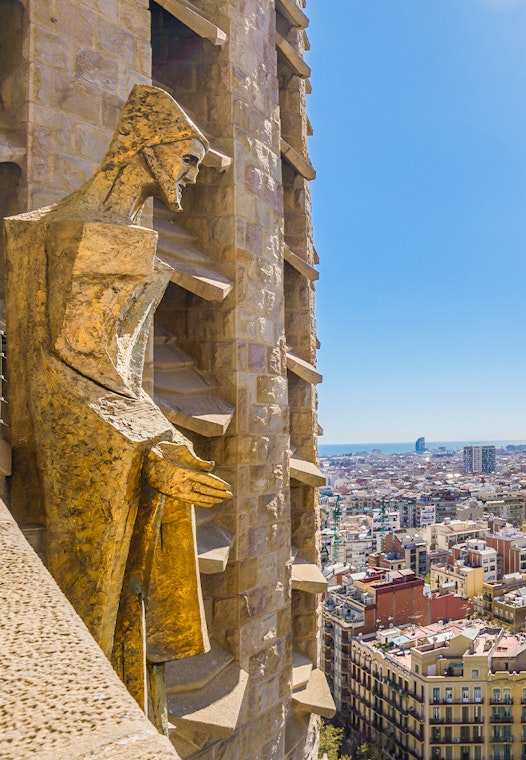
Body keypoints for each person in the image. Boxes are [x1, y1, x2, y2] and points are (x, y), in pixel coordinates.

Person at [3, 85, 231, 722]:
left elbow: (99, 366)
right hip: (87, 443)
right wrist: (154, 445)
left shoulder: (110, 226)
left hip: (105, 425)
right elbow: (73, 368)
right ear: (149, 148)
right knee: (98, 601)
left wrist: (155, 436)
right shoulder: (103, 232)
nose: (190, 173)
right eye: (185, 157)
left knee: (121, 595)